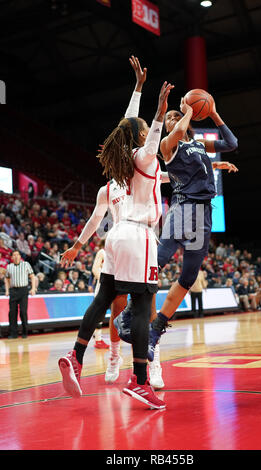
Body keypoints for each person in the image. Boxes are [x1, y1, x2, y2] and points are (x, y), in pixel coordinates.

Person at [58, 56, 173, 409]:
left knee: (103, 298)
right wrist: (159, 111)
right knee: (141, 308)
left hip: (115, 237)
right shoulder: (144, 158)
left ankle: (76, 356)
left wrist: (138, 88)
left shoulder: (121, 163)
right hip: (138, 237)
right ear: (140, 136)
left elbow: (126, 126)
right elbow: (150, 137)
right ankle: (140, 379)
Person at [117, 94, 238, 360]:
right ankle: (127, 313)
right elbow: (181, 129)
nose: (174, 118)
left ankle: (155, 330)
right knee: (156, 262)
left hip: (203, 213)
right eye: (169, 117)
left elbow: (232, 143)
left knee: (188, 276)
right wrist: (187, 112)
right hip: (183, 209)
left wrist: (214, 113)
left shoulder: (197, 144)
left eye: (177, 115)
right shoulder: (167, 145)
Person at [4, 250, 36, 338]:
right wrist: (7, 290)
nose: (16, 256)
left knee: (23, 312)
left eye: (17, 255)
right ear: (11, 257)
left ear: (20, 256)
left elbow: (32, 276)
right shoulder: (9, 267)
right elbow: (6, 279)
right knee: (12, 313)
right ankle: (13, 333)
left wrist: (33, 288)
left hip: (23, 290)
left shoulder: (26, 264)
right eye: (14, 255)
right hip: (13, 291)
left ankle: (25, 332)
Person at [91, 239, 110, 349]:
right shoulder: (102, 252)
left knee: (118, 313)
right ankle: (98, 340)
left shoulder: (115, 253)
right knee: (99, 314)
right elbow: (95, 268)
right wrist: (102, 280)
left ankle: (117, 338)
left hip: (115, 286)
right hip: (103, 286)